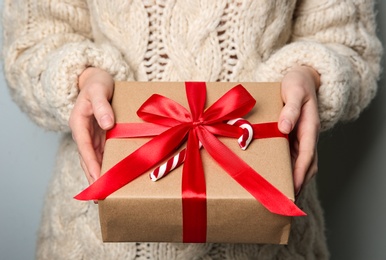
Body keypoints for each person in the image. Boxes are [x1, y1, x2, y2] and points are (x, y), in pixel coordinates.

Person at [2, 0, 382, 259]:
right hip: (94, 239)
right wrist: (81, 76)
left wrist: (311, 74)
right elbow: (31, 43)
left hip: (269, 241)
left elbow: (350, 44)